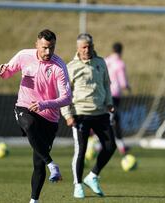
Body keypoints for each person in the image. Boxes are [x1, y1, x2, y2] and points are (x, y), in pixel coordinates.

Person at [0, 29, 71, 203]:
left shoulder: (59, 66)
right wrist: (2, 71)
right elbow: (8, 72)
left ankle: (34, 200)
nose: (48, 52)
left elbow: (67, 98)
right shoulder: (24, 55)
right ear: (36, 44)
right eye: (45, 47)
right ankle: (52, 164)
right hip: (25, 107)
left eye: (51, 48)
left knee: (38, 164)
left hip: (49, 117)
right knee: (29, 125)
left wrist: (44, 104)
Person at [61, 33, 116, 199]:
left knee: (110, 146)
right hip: (80, 115)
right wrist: (67, 115)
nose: (87, 49)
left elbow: (106, 84)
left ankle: (92, 176)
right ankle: (78, 185)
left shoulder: (100, 62)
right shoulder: (71, 67)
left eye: (89, 46)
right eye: (84, 47)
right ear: (78, 48)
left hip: (100, 113)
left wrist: (109, 102)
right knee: (81, 151)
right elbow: (64, 93)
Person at [104, 42, 131, 155]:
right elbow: (123, 82)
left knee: (113, 119)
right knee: (111, 120)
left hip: (103, 93)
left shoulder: (106, 60)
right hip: (114, 95)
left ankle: (121, 145)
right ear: (121, 51)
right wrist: (128, 87)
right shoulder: (120, 63)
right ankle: (98, 145)